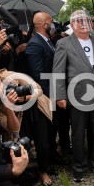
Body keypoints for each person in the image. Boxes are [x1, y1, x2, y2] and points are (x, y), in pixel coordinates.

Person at [52, 10, 94, 182]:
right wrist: (60, 95)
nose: (82, 23)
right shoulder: (64, 43)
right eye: (78, 21)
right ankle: (79, 166)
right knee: (78, 132)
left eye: (85, 20)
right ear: (72, 25)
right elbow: (58, 71)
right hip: (76, 94)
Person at [25, 11, 70, 165]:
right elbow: (37, 73)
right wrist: (50, 95)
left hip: (52, 91)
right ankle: (47, 163)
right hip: (45, 95)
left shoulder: (48, 41)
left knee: (53, 129)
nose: (52, 25)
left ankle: (53, 155)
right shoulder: (35, 44)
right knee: (46, 132)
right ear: (44, 25)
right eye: (51, 22)